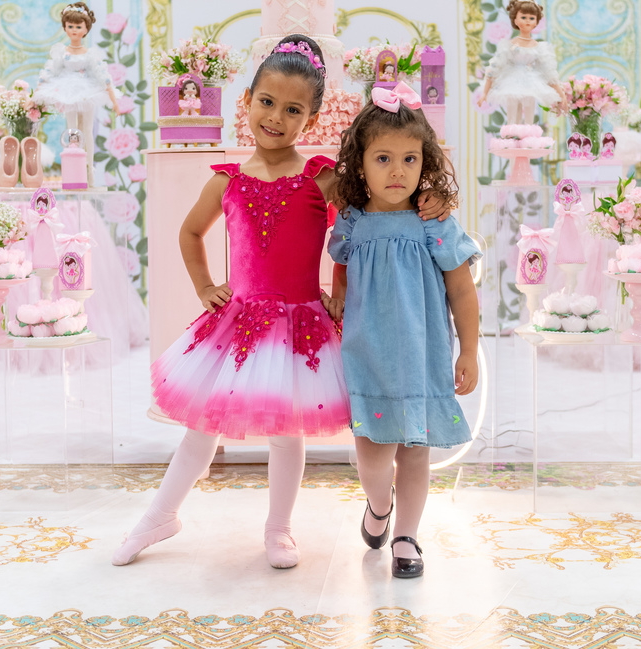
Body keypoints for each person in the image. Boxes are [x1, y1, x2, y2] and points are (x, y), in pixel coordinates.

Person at [112, 36, 450, 570]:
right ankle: (160, 514)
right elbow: (189, 233)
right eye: (267, 102)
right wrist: (204, 286)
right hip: (238, 324)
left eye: (293, 110)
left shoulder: (321, 178)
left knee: (286, 433)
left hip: (300, 325)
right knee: (202, 426)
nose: (276, 117)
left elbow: (367, 218)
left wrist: (429, 198)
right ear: (246, 100)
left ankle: (279, 528)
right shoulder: (226, 180)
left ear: (310, 119)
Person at [329, 81, 481, 579]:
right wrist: (339, 298)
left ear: (425, 162)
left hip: (422, 357)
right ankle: (379, 504)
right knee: (373, 459)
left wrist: (469, 350)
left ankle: (407, 537)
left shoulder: (433, 222)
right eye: (383, 159)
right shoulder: (352, 222)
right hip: (369, 356)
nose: (398, 171)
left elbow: (462, 290)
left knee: (415, 454)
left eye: (410, 160)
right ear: (361, 163)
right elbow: (342, 268)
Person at [32, 2, 119, 187]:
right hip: (67, 91)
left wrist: (114, 100)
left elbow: (103, 76)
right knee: (71, 130)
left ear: (86, 29)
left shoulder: (89, 54)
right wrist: (34, 96)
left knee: (87, 129)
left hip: (86, 91)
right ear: (65, 27)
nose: (74, 30)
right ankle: (73, 172)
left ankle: (89, 171)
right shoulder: (62, 53)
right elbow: (49, 72)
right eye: (70, 26)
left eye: (78, 27)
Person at [478, 0, 565, 124]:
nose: (528, 21)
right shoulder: (509, 45)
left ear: (536, 22)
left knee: (529, 106)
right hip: (511, 80)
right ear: (515, 20)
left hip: (531, 81)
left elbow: (548, 73)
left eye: (532, 18)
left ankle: (529, 131)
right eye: (523, 17)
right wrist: (485, 93)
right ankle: (511, 132)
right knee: (513, 109)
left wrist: (562, 95)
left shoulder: (539, 47)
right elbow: (495, 67)